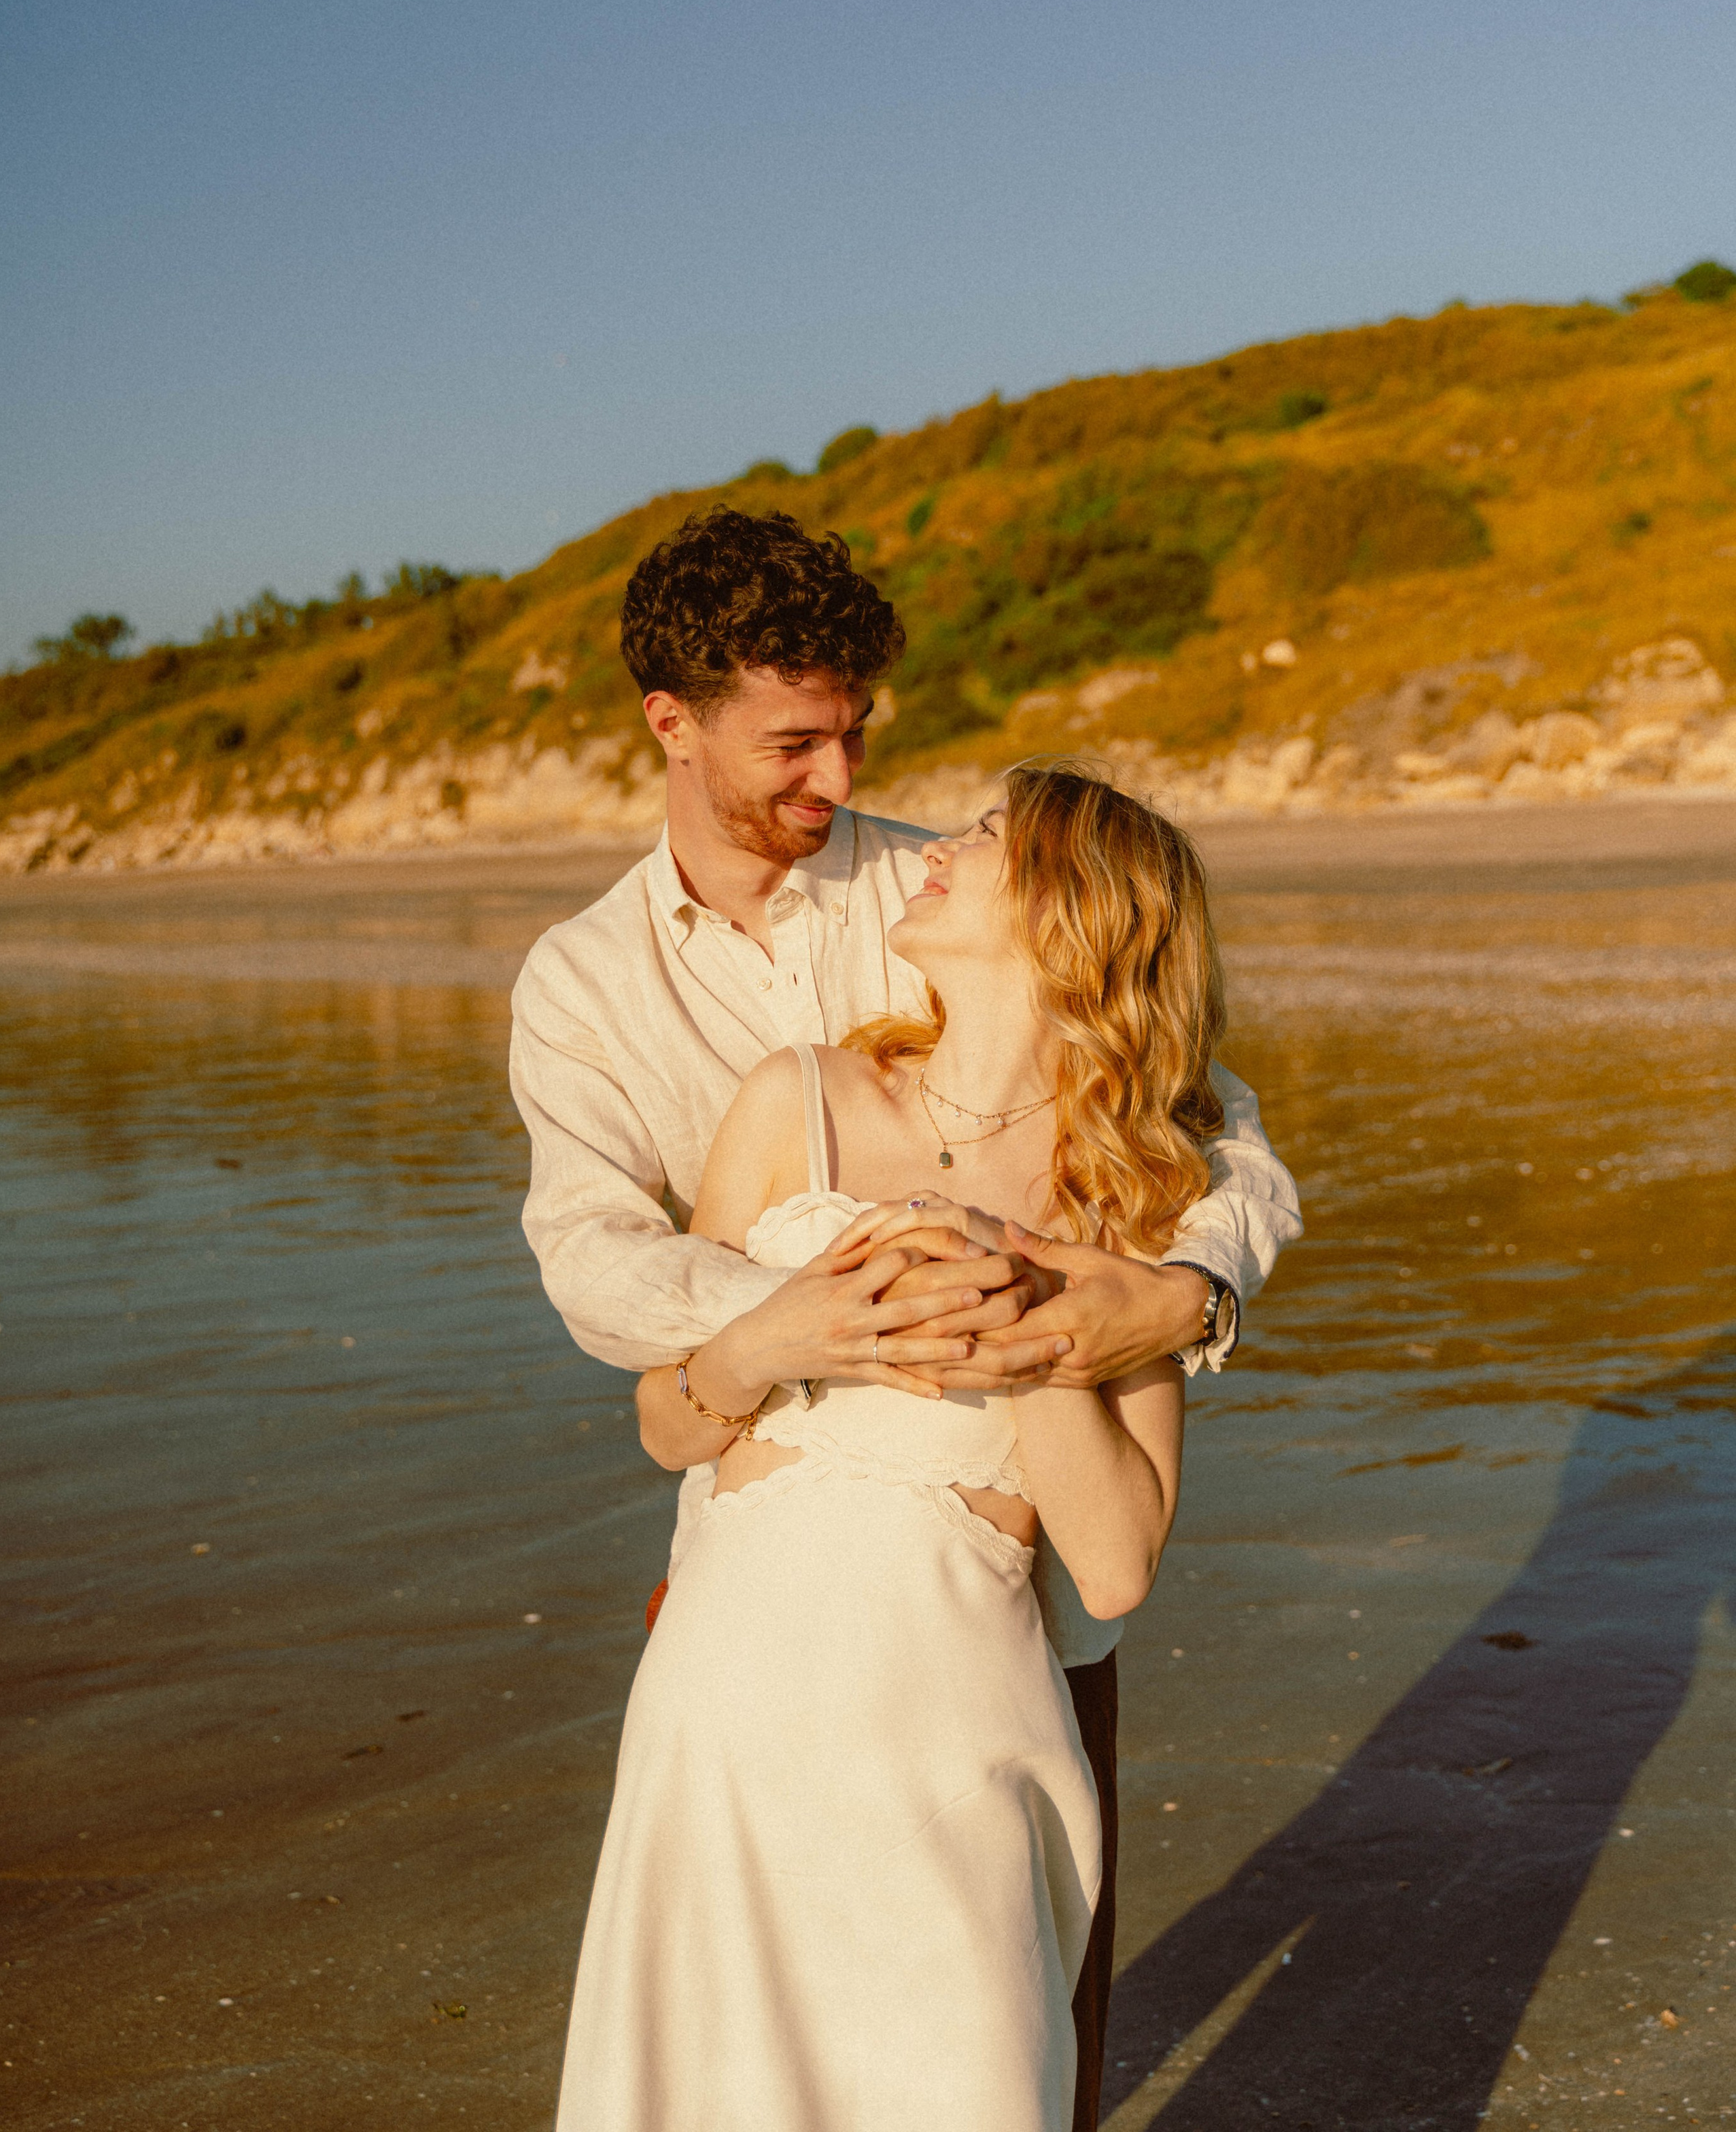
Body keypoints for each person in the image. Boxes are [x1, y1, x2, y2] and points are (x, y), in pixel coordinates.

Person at [510, 508, 1304, 2127]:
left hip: (1008, 1599)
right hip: (759, 1570)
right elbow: (595, 1259)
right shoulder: (584, 985)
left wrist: (1166, 1290)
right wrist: (807, 1310)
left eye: (854, 730)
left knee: (1014, 2039)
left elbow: (1193, 1120)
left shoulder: (928, 882)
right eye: (793, 741)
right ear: (672, 725)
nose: (839, 775)